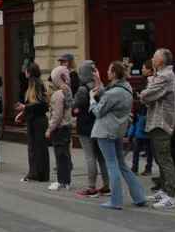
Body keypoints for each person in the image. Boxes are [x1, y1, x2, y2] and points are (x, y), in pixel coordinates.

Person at [89, 61, 147, 210]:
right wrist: (98, 81)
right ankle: (139, 196)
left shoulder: (113, 93)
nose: (107, 72)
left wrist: (91, 101)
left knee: (112, 164)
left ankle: (116, 200)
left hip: (105, 130)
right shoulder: (126, 88)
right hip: (118, 130)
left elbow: (99, 110)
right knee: (121, 163)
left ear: (114, 74)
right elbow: (107, 96)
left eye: (109, 70)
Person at [140, 48, 175, 209]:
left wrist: (144, 94)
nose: (153, 59)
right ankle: (164, 190)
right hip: (156, 120)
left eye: (155, 57)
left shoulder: (166, 76)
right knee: (159, 157)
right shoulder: (162, 75)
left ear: (161, 61)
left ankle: (171, 195)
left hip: (162, 121)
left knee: (164, 158)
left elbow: (148, 94)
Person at [72, 60, 111, 198]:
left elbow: (73, 104)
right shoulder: (100, 86)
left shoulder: (83, 89)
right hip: (98, 123)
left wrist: (66, 93)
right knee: (101, 156)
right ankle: (106, 185)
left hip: (85, 124)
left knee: (90, 156)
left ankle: (91, 187)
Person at [15, 62, 49, 182]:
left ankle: (41, 173)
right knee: (33, 147)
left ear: (30, 72)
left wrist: (25, 108)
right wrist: (23, 113)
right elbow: (30, 103)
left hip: (39, 119)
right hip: (32, 118)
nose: (24, 72)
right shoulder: (30, 85)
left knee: (39, 147)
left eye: (26, 70)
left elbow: (40, 103)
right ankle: (34, 173)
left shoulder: (38, 84)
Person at [46, 67, 74, 191]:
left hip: (60, 128)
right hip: (67, 127)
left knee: (60, 155)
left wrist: (49, 129)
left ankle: (62, 181)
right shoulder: (67, 91)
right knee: (65, 155)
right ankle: (65, 181)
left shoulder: (58, 95)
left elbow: (56, 116)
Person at [130, 61, 154, 176]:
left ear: (149, 69)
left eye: (144, 68)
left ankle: (145, 166)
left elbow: (141, 91)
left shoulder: (151, 81)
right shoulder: (145, 81)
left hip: (146, 115)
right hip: (143, 115)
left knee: (144, 145)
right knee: (140, 145)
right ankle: (138, 165)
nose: (142, 70)